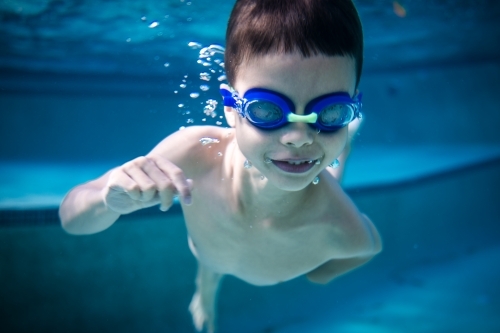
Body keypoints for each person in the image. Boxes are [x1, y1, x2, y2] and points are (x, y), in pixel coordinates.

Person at [59, 0, 382, 332]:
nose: (298, 138)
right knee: (212, 260)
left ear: (352, 105)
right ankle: (205, 288)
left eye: (332, 114)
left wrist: (320, 274)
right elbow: (70, 218)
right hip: (211, 251)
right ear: (230, 108)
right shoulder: (194, 154)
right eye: (267, 110)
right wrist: (104, 200)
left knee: (329, 174)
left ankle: (347, 141)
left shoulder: (341, 229)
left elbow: (369, 247)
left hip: (235, 241)